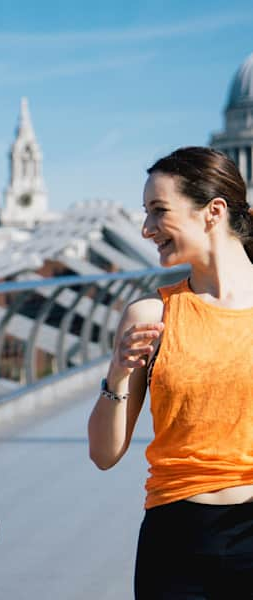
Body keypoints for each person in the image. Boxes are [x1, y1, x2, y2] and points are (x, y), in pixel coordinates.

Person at [88, 146, 253, 599]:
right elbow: (104, 454)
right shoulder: (149, 314)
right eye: (145, 214)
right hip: (175, 540)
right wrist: (118, 375)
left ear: (213, 212)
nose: (146, 229)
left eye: (159, 211)